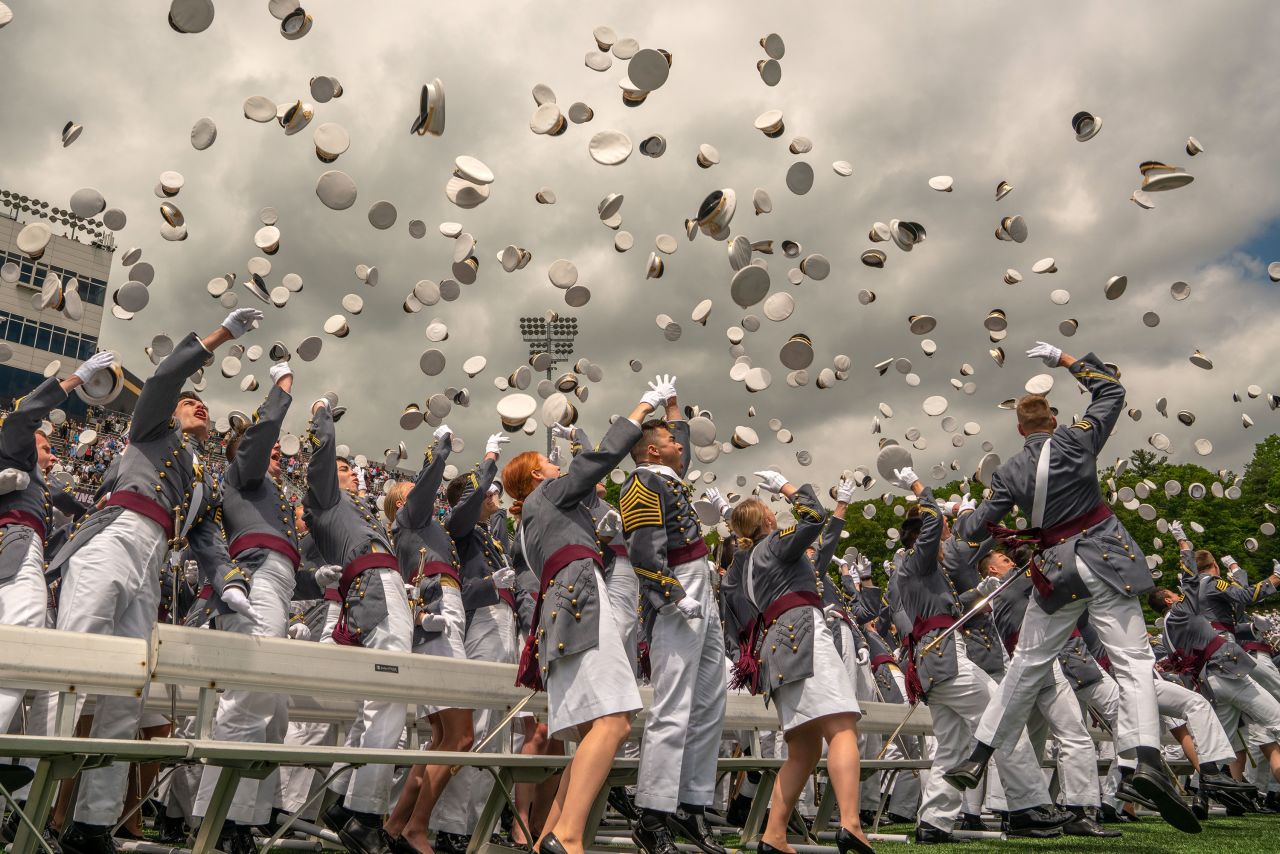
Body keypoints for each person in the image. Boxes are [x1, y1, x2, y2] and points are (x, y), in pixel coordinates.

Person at [942, 341, 1198, 833]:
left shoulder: (1009, 472)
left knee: (1026, 665)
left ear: (1019, 431)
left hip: (1056, 572)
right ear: (1052, 422)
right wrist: (1064, 359)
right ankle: (1144, 758)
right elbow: (1112, 391)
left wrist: (958, 516)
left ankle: (979, 754)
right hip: (1103, 558)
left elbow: (975, 530)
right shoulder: (1078, 438)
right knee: (1133, 661)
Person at [54, 310, 261, 854]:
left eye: (204, 403)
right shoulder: (150, 427)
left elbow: (210, 544)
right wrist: (219, 336)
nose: (199, 404)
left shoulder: (203, 476)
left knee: (128, 691)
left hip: (152, 561)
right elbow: (168, 376)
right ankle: (27, 799)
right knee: (71, 666)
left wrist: (230, 584)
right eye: (192, 400)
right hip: (113, 536)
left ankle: (92, 824)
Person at [502, 381, 661, 854]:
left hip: (564, 614)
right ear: (536, 476)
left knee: (599, 729)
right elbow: (595, 464)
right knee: (613, 723)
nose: (557, 468)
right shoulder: (548, 495)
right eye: (549, 465)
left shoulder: (532, 518)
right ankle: (568, 836)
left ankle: (549, 837)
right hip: (581, 604)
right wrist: (640, 409)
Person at [888, 470, 1070, 843]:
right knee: (1001, 720)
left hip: (937, 660)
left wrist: (980, 592)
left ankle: (934, 822)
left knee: (953, 745)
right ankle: (1026, 807)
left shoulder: (922, 570)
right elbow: (934, 519)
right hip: (945, 659)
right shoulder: (916, 560)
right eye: (939, 538)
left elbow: (947, 606)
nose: (944, 542)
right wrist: (923, 490)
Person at [721, 472, 874, 854]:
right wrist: (788, 487)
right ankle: (851, 824)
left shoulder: (745, 564)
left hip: (777, 648)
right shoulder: (774, 544)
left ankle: (774, 835)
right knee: (841, 728)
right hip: (803, 633)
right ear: (768, 522)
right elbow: (812, 516)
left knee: (803, 749)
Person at [190, 361, 300, 853]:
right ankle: (218, 817)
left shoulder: (271, 491)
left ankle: (245, 816)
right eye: (268, 449)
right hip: (255, 575)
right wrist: (278, 393)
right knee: (250, 693)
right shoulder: (242, 475)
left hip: (278, 579)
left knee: (273, 705)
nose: (277, 453)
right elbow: (257, 441)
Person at [620, 376, 727, 854]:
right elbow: (644, 550)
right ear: (653, 451)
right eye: (669, 441)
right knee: (674, 704)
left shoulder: (665, 474)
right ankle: (653, 812)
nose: (680, 445)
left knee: (709, 700)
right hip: (679, 587)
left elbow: (678, 435)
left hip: (700, 582)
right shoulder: (641, 482)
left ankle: (691, 803)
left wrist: (674, 403)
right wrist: (671, 593)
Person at [304, 395, 413, 854]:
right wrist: (322, 416)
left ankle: (342, 799)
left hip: (378, 583)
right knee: (389, 694)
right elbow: (323, 455)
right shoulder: (325, 499)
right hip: (375, 580)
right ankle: (364, 813)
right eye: (346, 469)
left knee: (378, 699)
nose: (353, 473)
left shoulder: (353, 507)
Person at [0, 351, 114, 734]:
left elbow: (68, 520)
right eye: (46, 448)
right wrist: (76, 379)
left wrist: (96, 514)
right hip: (14, 545)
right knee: (25, 622)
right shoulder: (15, 452)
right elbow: (20, 416)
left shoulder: (40, 488)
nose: (51, 456)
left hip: (21, 547)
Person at [380, 424, 473, 854]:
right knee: (459, 737)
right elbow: (426, 490)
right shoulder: (409, 518)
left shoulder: (425, 526)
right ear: (402, 502)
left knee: (442, 737)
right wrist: (439, 452)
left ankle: (398, 824)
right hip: (438, 611)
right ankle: (417, 828)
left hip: (443, 609)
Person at [429, 432, 520, 853]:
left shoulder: (492, 536)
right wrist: (490, 458)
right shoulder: (460, 530)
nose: (494, 496)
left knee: (498, 731)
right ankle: (452, 825)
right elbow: (466, 590)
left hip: (504, 622)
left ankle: (477, 823)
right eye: (486, 492)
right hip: (482, 618)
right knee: (479, 725)